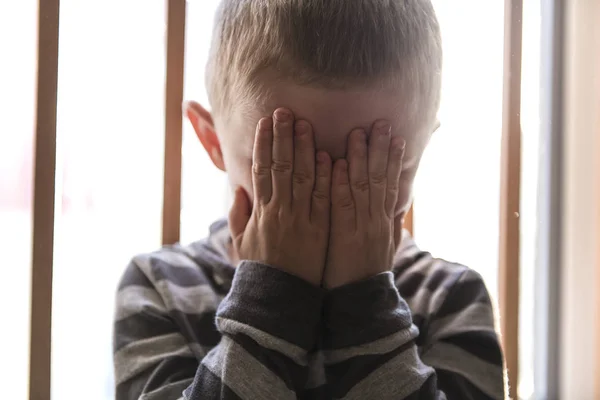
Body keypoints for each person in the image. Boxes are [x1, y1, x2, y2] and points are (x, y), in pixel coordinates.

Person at [113, 1, 506, 399]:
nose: (330, 200)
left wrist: (365, 302)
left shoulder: (453, 300)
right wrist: (271, 296)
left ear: (422, 150)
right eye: (286, 168)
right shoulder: (159, 291)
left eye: (373, 171)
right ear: (212, 141)